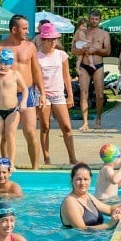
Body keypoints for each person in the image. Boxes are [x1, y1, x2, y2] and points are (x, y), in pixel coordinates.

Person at [0, 15, 45, 169]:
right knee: (6, 134)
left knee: (30, 130)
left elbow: (36, 71)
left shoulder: (30, 46)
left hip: (26, 92)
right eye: (25, 28)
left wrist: (43, 93)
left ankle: (35, 167)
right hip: (6, 95)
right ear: (14, 29)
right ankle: (6, 167)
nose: (28, 31)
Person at [36, 23, 77, 165]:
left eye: (55, 39)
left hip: (58, 93)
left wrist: (70, 95)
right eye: (50, 39)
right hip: (43, 93)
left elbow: (67, 76)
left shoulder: (61, 55)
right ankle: (47, 158)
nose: (53, 42)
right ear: (43, 40)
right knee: (45, 126)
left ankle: (72, 158)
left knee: (66, 126)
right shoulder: (37, 57)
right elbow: (35, 77)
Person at [73, 9, 111, 131]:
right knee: (84, 94)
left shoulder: (104, 34)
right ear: (89, 19)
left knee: (99, 95)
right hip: (84, 65)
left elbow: (107, 51)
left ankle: (98, 118)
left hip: (98, 65)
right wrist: (82, 51)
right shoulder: (82, 32)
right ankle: (85, 122)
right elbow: (73, 49)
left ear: (100, 20)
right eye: (92, 19)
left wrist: (95, 50)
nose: (94, 21)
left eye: (96, 19)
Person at [60, 163, 121, 230]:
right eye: (78, 179)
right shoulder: (70, 202)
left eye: (86, 179)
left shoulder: (88, 196)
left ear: (90, 180)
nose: (82, 183)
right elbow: (82, 229)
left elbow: (109, 209)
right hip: (76, 239)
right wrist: (109, 224)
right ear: (72, 180)